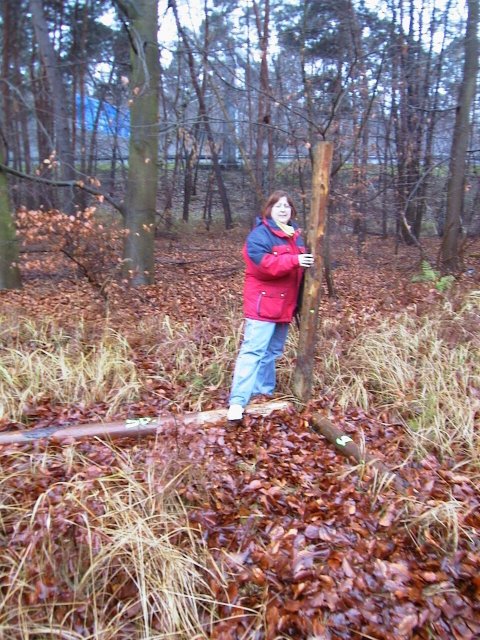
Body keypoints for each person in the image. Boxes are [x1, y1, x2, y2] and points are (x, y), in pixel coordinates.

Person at [227, 190, 314, 421]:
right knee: (253, 352)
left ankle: (263, 393)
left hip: (285, 306)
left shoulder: (295, 236)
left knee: (271, 353)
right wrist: (295, 260)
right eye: (278, 206)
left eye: (287, 206)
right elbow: (264, 265)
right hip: (263, 306)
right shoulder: (260, 235)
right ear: (269, 210)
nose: (283, 209)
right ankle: (237, 402)